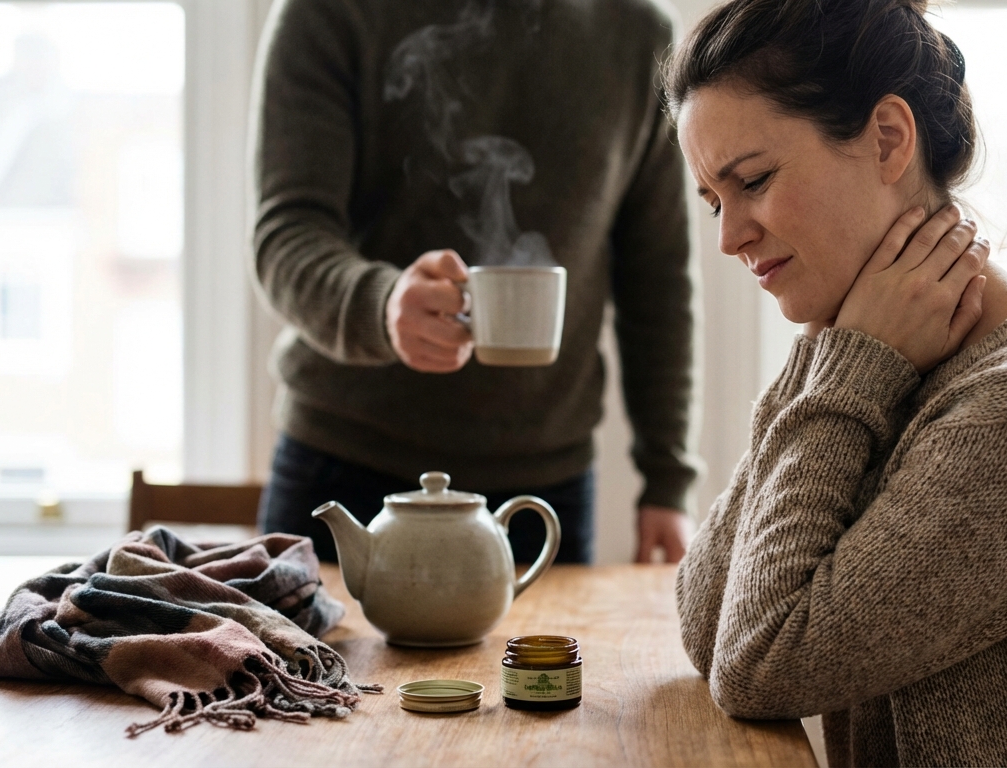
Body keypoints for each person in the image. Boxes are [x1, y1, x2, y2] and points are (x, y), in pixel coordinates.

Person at [667, 0, 1007, 765]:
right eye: (715, 200)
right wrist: (833, 350)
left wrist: (845, 362)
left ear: (887, 139)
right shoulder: (881, 358)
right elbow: (707, 618)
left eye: (753, 180)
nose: (728, 236)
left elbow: (756, 662)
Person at [249, 0, 699, 565]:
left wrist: (667, 477)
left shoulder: (640, 33)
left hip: (544, 492)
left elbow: (657, 277)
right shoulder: (329, 12)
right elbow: (287, 233)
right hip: (342, 466)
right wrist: (382, 306)